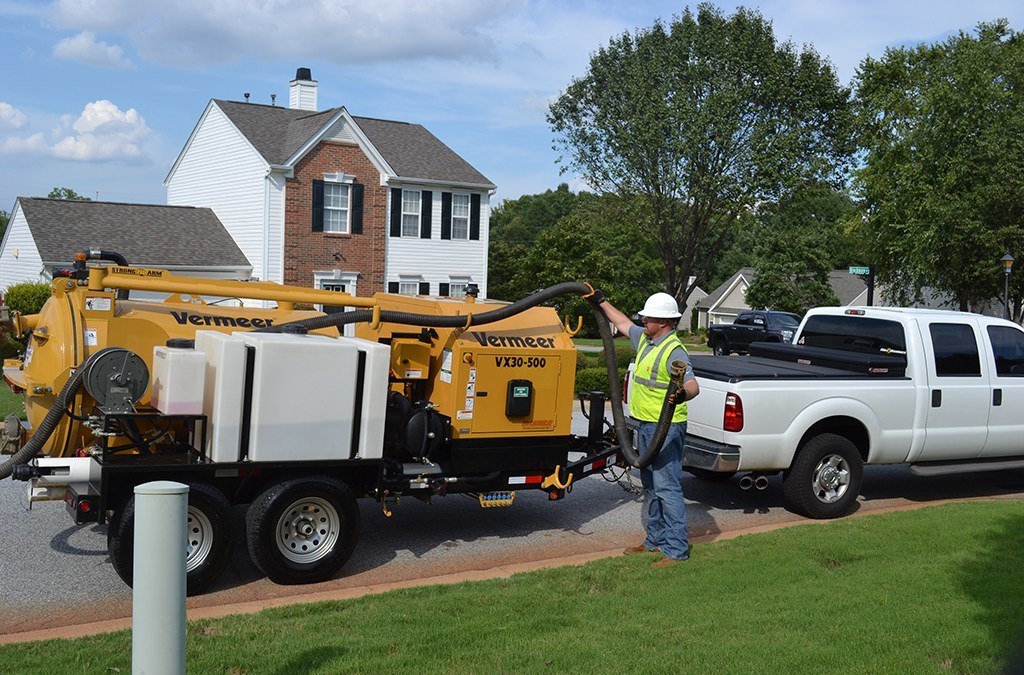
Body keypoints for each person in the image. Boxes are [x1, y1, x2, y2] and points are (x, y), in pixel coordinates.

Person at [593, 291, 699, 568]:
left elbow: (693, 385)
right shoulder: (646, 339)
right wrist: (601, 301)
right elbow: (623, 323)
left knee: (667, 488)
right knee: (651, 486)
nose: (643, 320)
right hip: (645, 424)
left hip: (666, 428)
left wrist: (681, 394)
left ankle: (676, 550)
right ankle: (655, 540)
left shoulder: (674, 350)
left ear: (662, 322)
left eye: (648, 317)